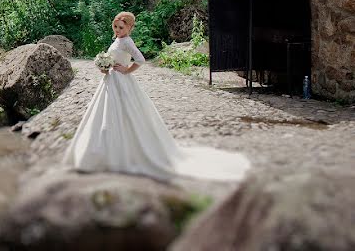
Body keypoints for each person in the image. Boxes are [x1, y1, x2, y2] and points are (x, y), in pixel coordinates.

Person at [62, 11, 250, 182]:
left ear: (130, 27)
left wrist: (127, 70)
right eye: (116, 27)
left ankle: (123, 153)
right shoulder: (117, 40)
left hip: (122, 82)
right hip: (111, 80)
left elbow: (141, 59)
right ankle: (105, 151)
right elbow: (114, 59)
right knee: (105, 115)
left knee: (126, 114)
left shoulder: (127, 41)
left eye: (121, 27)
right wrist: (105, 68)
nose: (118, 30)